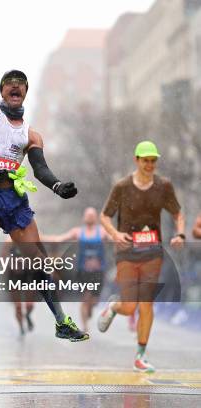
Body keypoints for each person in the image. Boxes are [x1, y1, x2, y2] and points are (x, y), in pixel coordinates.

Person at [0, 18, 88, 359]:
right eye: (9, 84)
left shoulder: (32, 135)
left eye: (21, 84)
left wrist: (57, 185)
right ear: (2, 92)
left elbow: (41, 168)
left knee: (41, 263)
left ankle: (61, 321)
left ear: (25, 93)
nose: (15, 86)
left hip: (14, 201)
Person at [98, 141, 185, 373]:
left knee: (146, 304)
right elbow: (104, 217)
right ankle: (115, 307)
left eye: (153, 160)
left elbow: (178, 213)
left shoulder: (164, 186)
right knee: (130, 306)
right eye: (145, 160)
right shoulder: (122, 186)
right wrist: (115, 234)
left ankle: (140, 355)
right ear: (136, 160)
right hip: (126, 252)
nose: (149, 165)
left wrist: (180, 234)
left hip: (152, 252)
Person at [47, 207, 110, 332]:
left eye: (92, 215)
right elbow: (59, 239)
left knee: (93, 300)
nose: (90, 217)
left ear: (96, 218)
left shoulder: (102, 232)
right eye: (88, 215)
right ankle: (85, 327)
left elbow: (116, 238)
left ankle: (90, 308)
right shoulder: (78, 232)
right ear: (84, 218)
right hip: (83, 271)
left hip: (98, 271)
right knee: (85, 298)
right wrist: (38, 236)